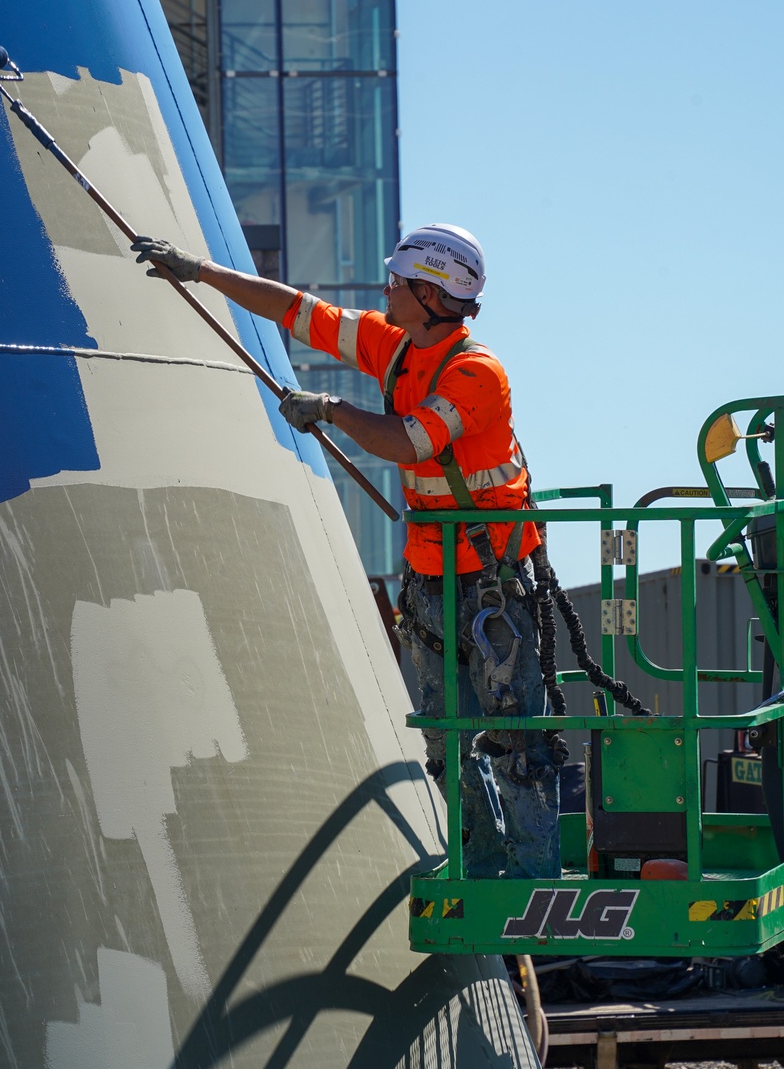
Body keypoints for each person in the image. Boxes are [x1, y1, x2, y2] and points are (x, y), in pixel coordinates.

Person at [133, 224, 561, 879]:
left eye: (397, 280)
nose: (385, 288)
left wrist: (330, 408)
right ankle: (477, 868)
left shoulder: (478, 374)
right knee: (447, 741)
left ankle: (532, 879)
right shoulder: (394, 348)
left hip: (490, 584)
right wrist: (200, 272)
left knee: (515, 741)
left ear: (428, 292)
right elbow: (298, 311)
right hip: (430, 576)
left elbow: (411, 442)